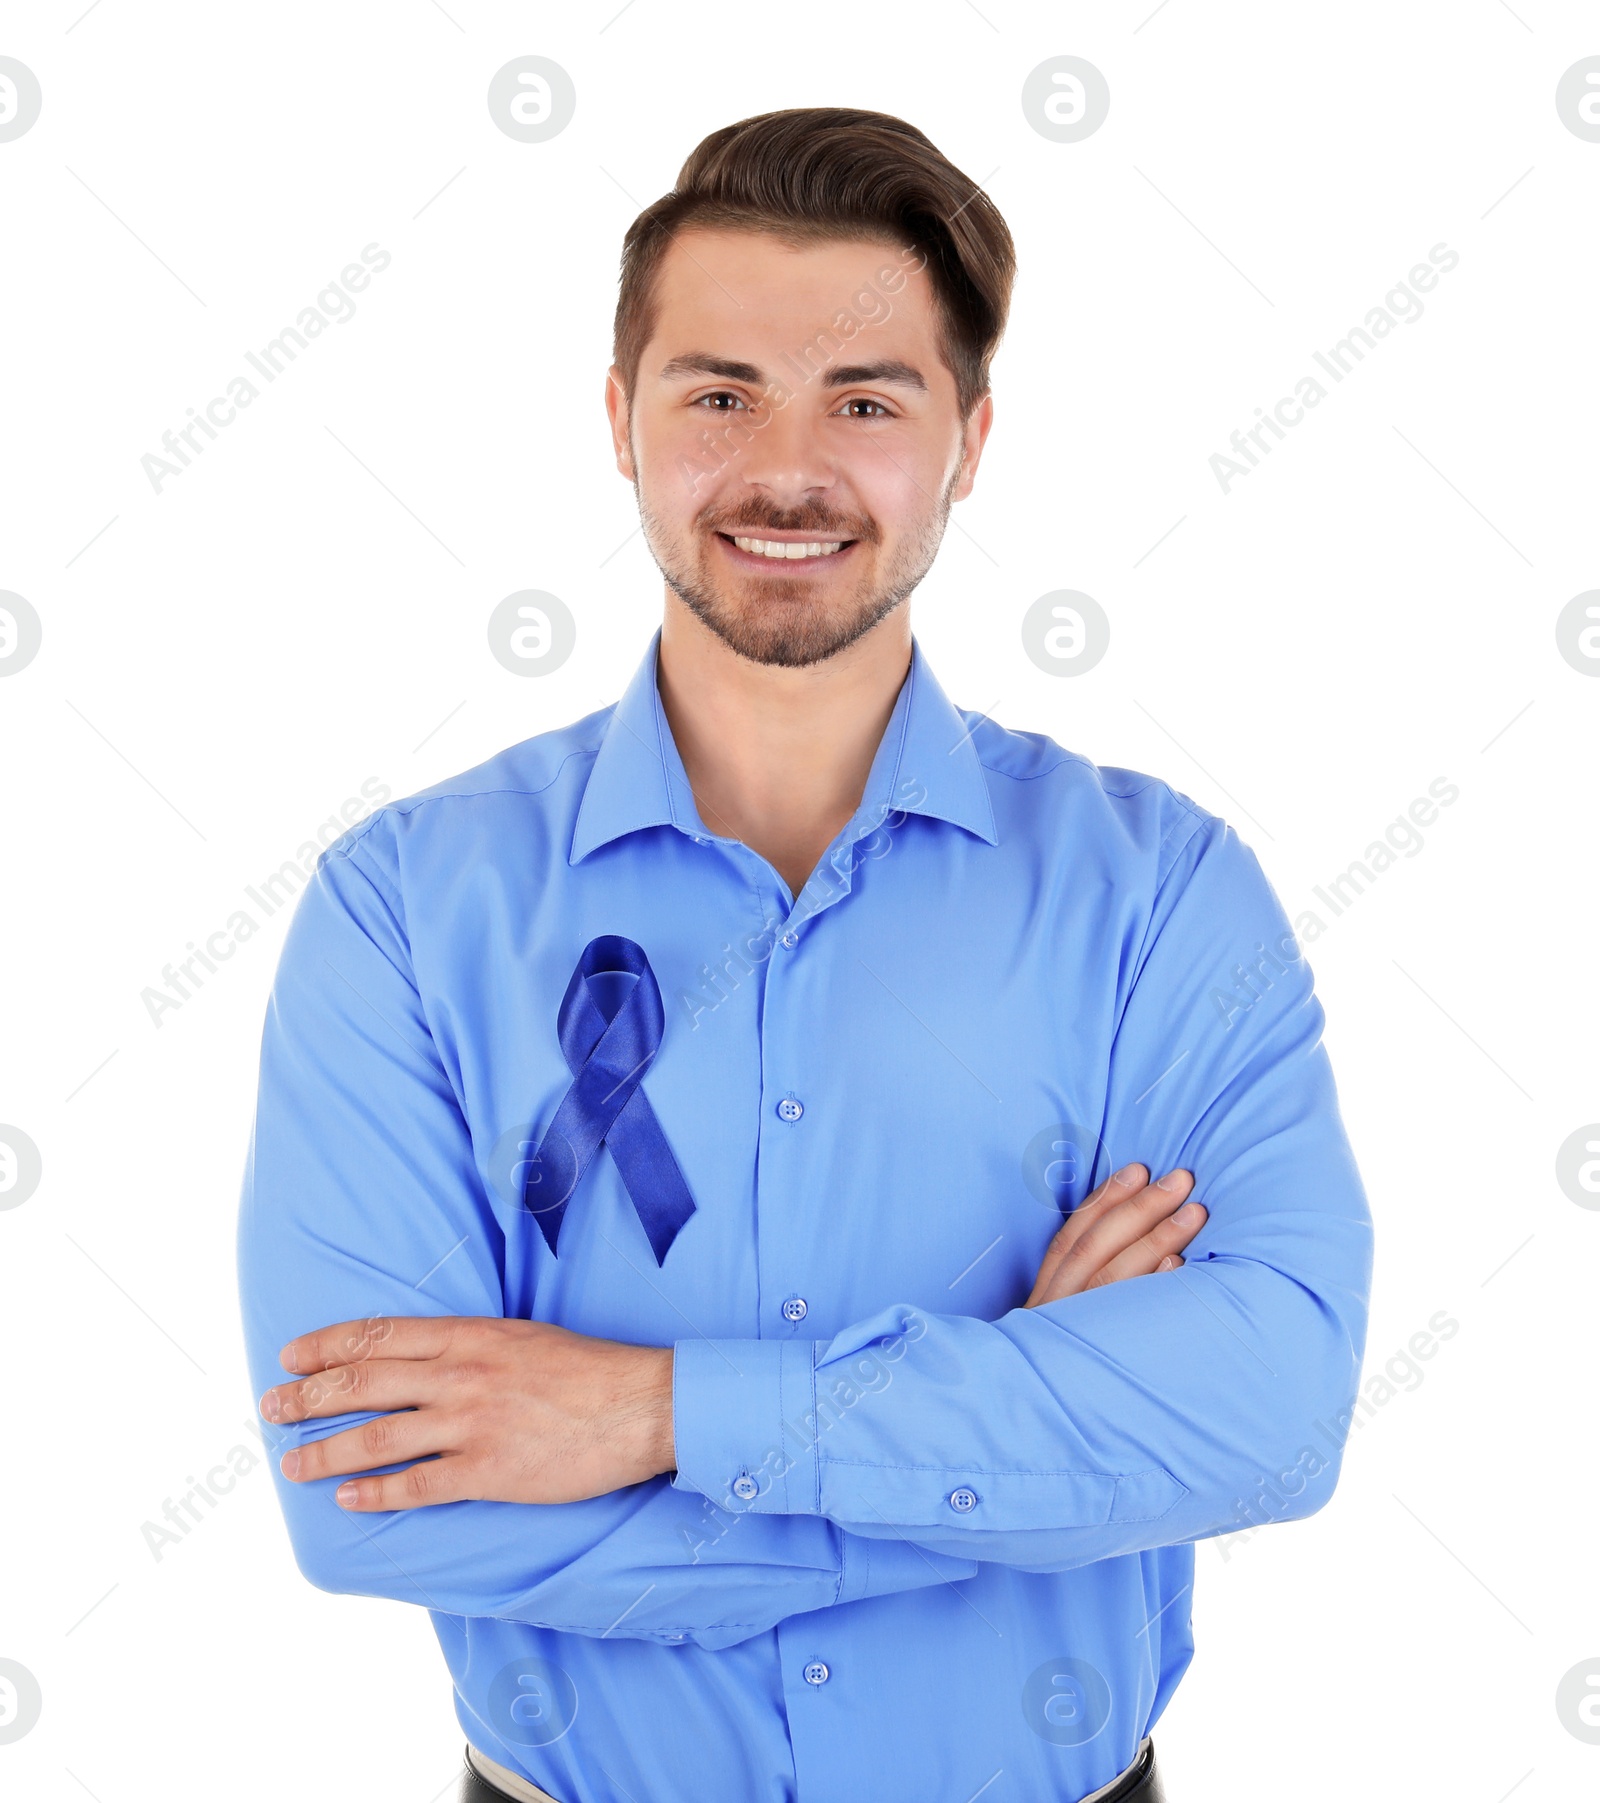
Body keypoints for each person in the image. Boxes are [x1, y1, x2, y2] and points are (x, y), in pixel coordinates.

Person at [237, 107, 1373, 1803]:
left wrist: (655, 1417)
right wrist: (1027, 1455)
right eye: (717, 394)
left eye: (866, 401)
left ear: (968, 441)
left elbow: (1270, 1411)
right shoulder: (403, 909)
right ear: (617, 424)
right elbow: (365, 1495)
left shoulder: (1160, 895)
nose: (787, 467)